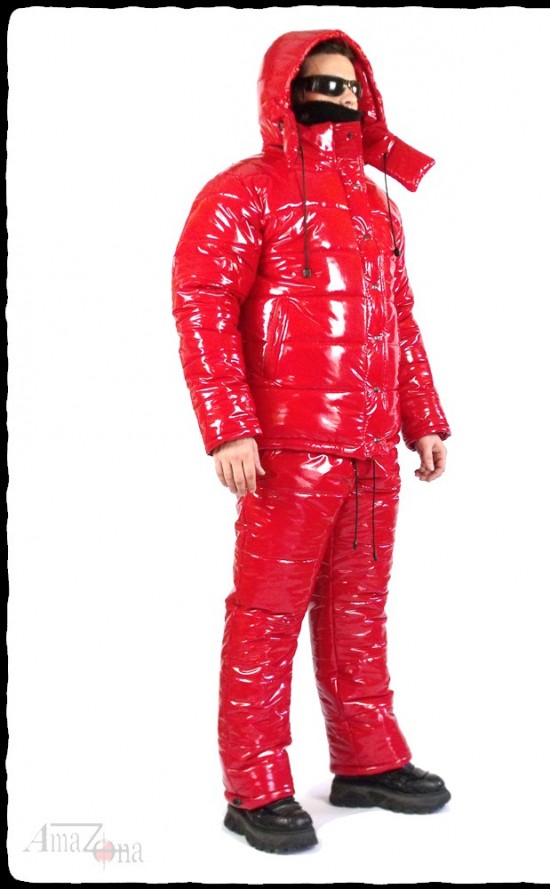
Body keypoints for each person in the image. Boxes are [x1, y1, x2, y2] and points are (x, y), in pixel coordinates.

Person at [172, 29, 452, 854]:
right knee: (266, 615)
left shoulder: (377, 205)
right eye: (318, 84)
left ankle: (367, 759)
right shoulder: (242, 194)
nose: (334, 100)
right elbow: (203, 305)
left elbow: (399, 321)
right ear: (282, 91)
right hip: (286, 453)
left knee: (358, 612)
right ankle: (255, 784)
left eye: (347, 87)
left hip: (370, 451)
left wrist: (423, 417)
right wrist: (229, 428)